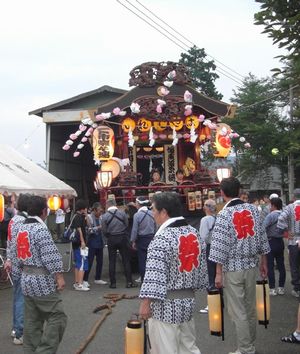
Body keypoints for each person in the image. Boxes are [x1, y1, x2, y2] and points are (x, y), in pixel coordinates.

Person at [139, 192, 207, 354]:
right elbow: (202, 269)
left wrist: (145, 303)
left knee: (165, 349)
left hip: (165, 304)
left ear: (164, 212)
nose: (152, 213)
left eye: (153, 209)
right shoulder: (193, 233)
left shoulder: (162, 238)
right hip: (188, 301)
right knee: (188, 347)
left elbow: (155, 275)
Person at [209, 177, 269, 354]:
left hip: (233, 267)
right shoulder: (253, 209)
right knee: (250, 308)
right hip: (252, 264)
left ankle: (245, 349)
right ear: (239, 191)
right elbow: (262, 237)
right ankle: (250, 344)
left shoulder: (224, 215)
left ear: (222, 192)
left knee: (238, 311)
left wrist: (218, 273)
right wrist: (264, 261)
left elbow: (219, 246)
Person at [14, 195, 67, 353]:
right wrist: (59, 276)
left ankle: (30, 350)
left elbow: (15, 254)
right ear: (44, 211)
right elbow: (50, 255)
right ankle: (45, 351)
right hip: (41, 280)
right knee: (58, 316)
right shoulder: (40, 229)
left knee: (32, 320)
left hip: (26, 279)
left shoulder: (21, 228)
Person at [4, 193, 31, 345]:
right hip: (23, 265)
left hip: (14, 264)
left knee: (17, 298)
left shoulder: (13, 220)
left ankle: (16, 328)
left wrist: (8, 259)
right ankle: (20, 332)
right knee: (22, 299)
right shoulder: (26, 222)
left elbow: (9, 242)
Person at [101, 199, 135, 288]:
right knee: (125, 260)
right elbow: (126, 224)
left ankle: (113, 283)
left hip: (112, 238)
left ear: (107, 205)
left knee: (112, 261)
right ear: (115, 204)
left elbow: (104, 230)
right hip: (122, 237)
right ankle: (129, 282)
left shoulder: (104, 216)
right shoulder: (122, 213)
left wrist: (109, 235)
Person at [277, 188, 300, 298]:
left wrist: (285, 231)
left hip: (293, 240)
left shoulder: (290, 207)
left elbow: (281, 218)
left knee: (294, 264)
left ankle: (297, 288)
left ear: (294, 197)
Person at [263, 197, 286, 296]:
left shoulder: (270, 215)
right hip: (280, 242)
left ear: (273, 205)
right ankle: (281, 287)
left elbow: (263, 227)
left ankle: (272, 288)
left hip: (271, 242)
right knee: (281, 265)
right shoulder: (284, 215)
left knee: (270, 266)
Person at [130, 197, 156, 282]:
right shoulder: (152, 213)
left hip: (141, 239)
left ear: (139, 204)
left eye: (136, 203)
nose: (135, 204)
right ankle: (153, 278)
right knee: (152, 260)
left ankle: (143, 278)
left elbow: (135, 230)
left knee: (142, 260)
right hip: (152, 238)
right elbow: (156, 226)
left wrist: (133, 240)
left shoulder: (137, 215)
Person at [281, 234, 300, 344]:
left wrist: (287, 233)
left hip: (293, 243)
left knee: (293, 267)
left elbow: (281, 222)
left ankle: (298, 334)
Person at [199, 199, 217, 314]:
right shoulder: (217, 218)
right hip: (216, 248)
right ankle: (219, 301)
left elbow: (202, 236)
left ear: (206, 207)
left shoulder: (205, 219)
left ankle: (211, 303)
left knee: (210, 276)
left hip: (208, 248)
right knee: (216, 275)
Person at [83, 202, 107, 286]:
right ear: (94, 210)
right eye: (99, 211)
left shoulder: (101, 217)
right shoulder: (89, 217)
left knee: (100, 261)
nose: (101, 212)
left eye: (101, 211)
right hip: (91, 242)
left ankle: (98, 278)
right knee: (89, 261)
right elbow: (88, 230)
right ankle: (85, 279)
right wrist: (99, 228)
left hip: (100, 242)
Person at [72, 199, 90, 291]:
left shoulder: (75, 216)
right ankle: (80, 284)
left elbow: (88, 225)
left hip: (75, 243)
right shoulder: (78, 217)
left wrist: (86, 215)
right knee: (82, 263)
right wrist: (83, 241)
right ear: (82, 208)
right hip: (80, 243)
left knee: (77, 263)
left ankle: (77, 282)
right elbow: (79, 230)